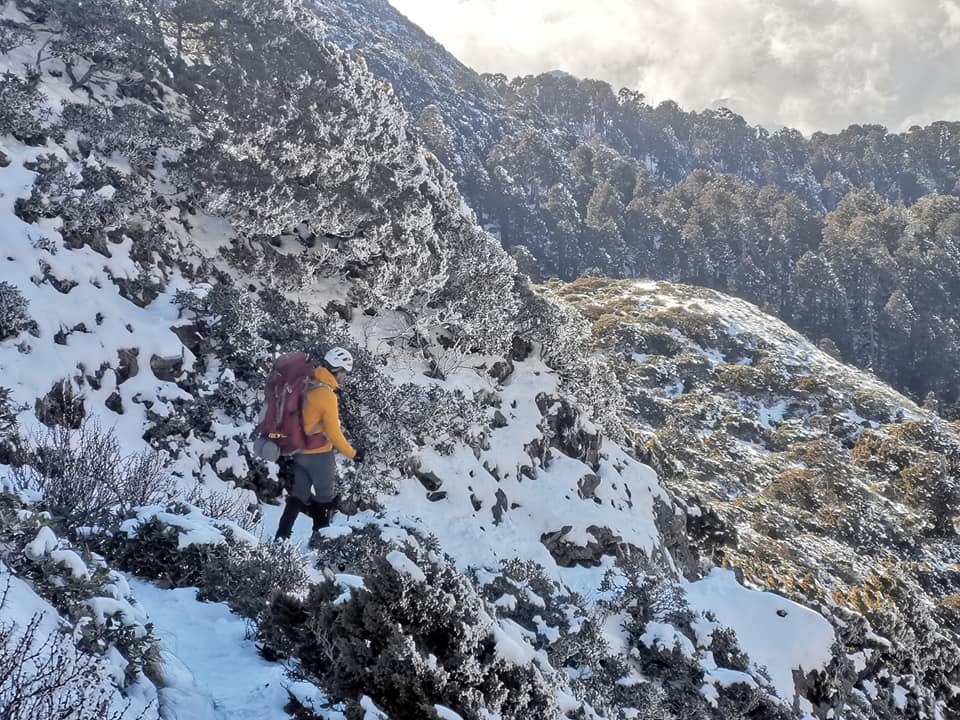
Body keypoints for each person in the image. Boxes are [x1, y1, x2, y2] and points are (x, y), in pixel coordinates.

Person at [274, 347, 365, 543]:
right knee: (325, 500)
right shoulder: (327, 395)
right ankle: (320, 544)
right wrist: (353, 453)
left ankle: (280, 538)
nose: (343, 378)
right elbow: (333, 433)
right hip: (319, 456)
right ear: (337, 370)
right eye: (344, 373)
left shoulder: (307, 382)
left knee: (298, 495)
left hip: (298, 451)